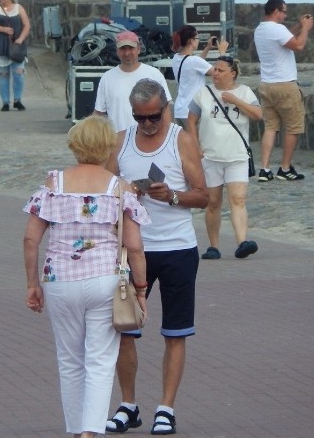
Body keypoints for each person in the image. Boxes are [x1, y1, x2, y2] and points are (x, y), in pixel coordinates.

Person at [23, 115, 149, 438]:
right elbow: (134, 247)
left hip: (60, 279)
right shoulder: (118, 188)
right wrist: (141, 288)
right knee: (101, 360)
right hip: (104, 279)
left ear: (75, 146)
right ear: (107, 148)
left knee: (69, 359)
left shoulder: (54, 184)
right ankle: (90, 432)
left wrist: (32, 283)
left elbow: (30, 239)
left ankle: (77, 428)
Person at [105, 78, 208, 436]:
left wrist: (173, 197)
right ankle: (128, 404)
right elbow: (105, 191)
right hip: (135, 251)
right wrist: (126, 191)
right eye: (140, 117)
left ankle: (166, 408)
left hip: (178, 247)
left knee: (175, 331)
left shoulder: (181, 139)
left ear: (166, 108)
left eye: (153, 116)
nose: (147, 124)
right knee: (123, 329)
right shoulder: (122, 140)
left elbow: (203, 196)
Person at [187, 56, 263, 260]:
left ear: (233, 73)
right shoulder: (204, 92)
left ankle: (242, 242)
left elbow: (257, 114)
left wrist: (235, 100)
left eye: (221, 70)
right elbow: (191, 120)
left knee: (238, 198)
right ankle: (214, 246)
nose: (215, 73)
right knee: (213, 202)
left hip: (236, 155)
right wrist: (195, 146)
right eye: (215, 70)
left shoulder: (245, 91)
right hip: (211, 156)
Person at [254, 0, 313, 181]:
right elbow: (298, 45)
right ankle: (285, 168)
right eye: (284, 11)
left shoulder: (260, 29)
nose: (285, 14)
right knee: (293, 127)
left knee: (270, 127)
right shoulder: (277, 29)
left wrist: (297, 25)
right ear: (276, 11)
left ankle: (264, 169)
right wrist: (305, 28)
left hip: (266, 85)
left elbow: (286, 36)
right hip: (285, 85)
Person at [93, 31, 172, 132]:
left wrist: (167, 136)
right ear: (117, 51)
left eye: (131, 48)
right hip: (118, 142)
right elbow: (99, 113)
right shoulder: (107, 78)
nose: (127, 53)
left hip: (150, 141)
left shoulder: (154, 74)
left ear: (138, 49)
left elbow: (165, 109)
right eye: (122, 49)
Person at [170, 25, 228, 124]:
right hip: (192, 112)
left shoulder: (176, 58)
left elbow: (197, 65)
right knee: (197, 139)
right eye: (197, 38)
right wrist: (222, 52)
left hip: (180, 110)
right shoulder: (194, 61)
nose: (198, 41)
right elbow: (219, 72)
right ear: (191, 41)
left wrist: (208, 48)